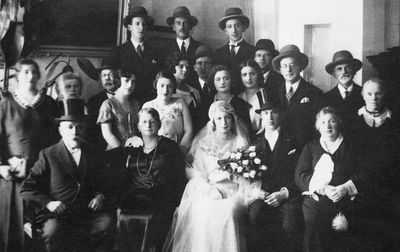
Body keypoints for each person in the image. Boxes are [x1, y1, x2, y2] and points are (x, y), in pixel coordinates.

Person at [165, 100, 263, 252]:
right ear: (213, 121)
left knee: (228, 210)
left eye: (227, 117)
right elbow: (195, 170)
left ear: (233, 119)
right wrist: (207, 188)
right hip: (206, 188)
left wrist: (227, 177)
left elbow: (244, 173)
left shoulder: (240, 141)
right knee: (204, 211)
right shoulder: (204, 142)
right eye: (219, 118)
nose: (224, 122)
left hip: (232, 189)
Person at [20, 99, 115, 252]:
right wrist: (49, 203)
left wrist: (99, 195)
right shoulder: (48, 154)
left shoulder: (93, 153)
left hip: (85, 213)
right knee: (53, 231)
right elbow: (26, 189)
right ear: (60, 130)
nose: (75, 132)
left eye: (79, 127)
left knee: (106, 223)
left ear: (84, 130)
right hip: (57, 216)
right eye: (69, 127)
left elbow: (103, 180)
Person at [0, 58, 58, 252]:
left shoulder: (48, 103)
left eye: (34, 72)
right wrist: (3, 165)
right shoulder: (5, 104)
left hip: (42, 173)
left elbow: (57, 139)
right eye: (25, 72)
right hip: (14, 174)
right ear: (17, 76)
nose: (31, 76)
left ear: (39, 76)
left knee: (41, 228)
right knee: (14, 228)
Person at [115, 107, 186, 251]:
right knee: (123, 216)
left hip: (162, 197)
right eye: (144, 121)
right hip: (135, 198)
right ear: (138, 126)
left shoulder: (169, 147)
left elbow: (179, 176)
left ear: (159, 125)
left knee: (154, 218)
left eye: (152, 121)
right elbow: (124, 176)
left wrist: (178, 201)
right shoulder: (131, 147)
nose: (148, 125)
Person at [295, 107, 360, 252]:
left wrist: (345, 188)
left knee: (345, 228)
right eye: (323, 122)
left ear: (339, 123)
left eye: (332, 121)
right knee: (314, 221)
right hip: (317, 197)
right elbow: (300, 175)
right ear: (318, 126)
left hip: (344, 197)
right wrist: (323, 188)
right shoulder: (311, 147)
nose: (328, 126)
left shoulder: (351, 146)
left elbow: (362, 172)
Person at [248, 101, 302, 252]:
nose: (270, 117)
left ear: (281, 114)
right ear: (260, 116)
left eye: (274, 112)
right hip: (263, 194)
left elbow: (301, 173)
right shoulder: (254, 142)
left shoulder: (293, 140)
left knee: (290, 224)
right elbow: (248, 176)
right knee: (254, 216)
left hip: (287, 195)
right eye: (265, 113)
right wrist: (256, 191)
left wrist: (285, 192)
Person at [270, 44, 323, 149]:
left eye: (292, 65)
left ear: (300, 67)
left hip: (304, 148)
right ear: (280, 70)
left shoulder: (314, 93)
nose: (289, 70)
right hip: (279, 148)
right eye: (285, 66)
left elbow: (319, 126)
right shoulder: (273, 92)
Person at [112, 6, 160, 103]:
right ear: (129, 27)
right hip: (129, 100)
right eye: (137, 24)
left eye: (144, 24)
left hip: (150, 101)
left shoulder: (155, 52)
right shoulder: (119, 51)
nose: (141, 28)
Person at [142, 71, 193, 154]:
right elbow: (144, 133)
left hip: (178, 149)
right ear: (156, 85)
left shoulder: (180, 103)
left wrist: (179, 151)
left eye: (169, 86)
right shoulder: (147, 106)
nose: (165, 90)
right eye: (162, 86)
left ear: (173, 88)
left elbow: (189, 131)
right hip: (155, 151)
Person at [214, 7, 255, 94]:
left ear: (243, 28)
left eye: (237, 26)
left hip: (246, 95)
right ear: (225, 30)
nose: (234, 30)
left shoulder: (252, 51)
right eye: (229, 27)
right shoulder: (218, 53)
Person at [97, 70, 141, 150]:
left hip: (136, 149)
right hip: (116, 150)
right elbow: (108, 134)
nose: (130, 85)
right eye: (126, 81)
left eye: (133, 82)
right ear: (118, 81)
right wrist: (123, 151)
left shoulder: (136, 104)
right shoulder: (108, 104)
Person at [324, 50, 364, 132]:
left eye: (347, 67)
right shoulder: (326, 98)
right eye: (339, 69)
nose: (344, 72)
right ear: (334, 74)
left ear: (354, 71)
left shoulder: (365, 94)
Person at [208, 64, 252, 134]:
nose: (222, 82)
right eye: (218, 79)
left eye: (226, 79)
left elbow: (246, 130)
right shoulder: (207, 102)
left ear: (231, 80)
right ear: (213, 82)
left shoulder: (240, 104)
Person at [87, 58, 120, 148]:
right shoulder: (93, 102)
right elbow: (92, 134)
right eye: (103, 75)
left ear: (119, 76)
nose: (106, 78)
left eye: (110, 74)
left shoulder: (130, 99)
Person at [238, 59, 268, 135]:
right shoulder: (239, 97)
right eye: (244, 75)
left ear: (258, 74)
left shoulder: (265, 94)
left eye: (252, 74)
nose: (248, 78)